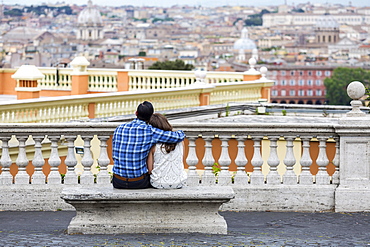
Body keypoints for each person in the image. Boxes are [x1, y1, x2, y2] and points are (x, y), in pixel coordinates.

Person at [112, 101, 185, 189]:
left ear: (136, 113)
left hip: (118, 181)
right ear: (151, 116)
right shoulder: (150, 131)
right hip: (138, 182)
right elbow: (179, 136)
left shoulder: (119, 128)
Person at [147, 113, 187, 189]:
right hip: (179, 182)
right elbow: (182, 161)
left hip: (158, 183)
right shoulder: (180, 142)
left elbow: (150, 170)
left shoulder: (153, 145)